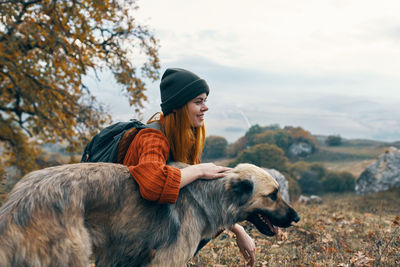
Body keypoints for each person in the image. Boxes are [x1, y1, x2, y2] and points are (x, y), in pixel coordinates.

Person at [122, 68, 256, 266]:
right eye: (198, 102)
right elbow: (153, 186)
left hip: (151, 223)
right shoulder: (152, 138)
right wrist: (199, 170)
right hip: (126, 229)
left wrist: (238, 230)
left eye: (205, 101)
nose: (205, 108)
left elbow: (203, 195)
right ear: (178, 106)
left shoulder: (184, 138)